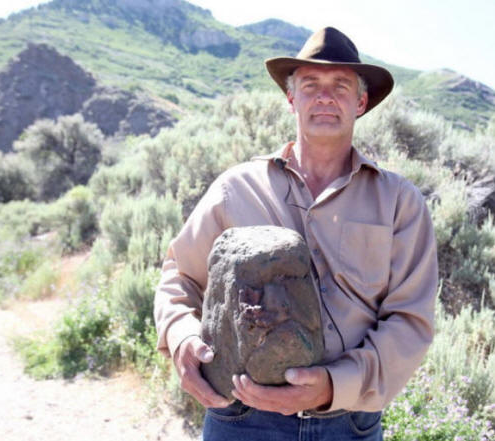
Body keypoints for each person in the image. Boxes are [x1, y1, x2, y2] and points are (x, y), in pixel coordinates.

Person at [154, 26, 438, 441]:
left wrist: (332, 386)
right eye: (310, 85)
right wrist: (181, 338)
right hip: (242, 418)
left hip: (348, 424)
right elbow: (179, 276)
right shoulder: (236, 188)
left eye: (340, 86)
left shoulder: (399, 201)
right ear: (291, 99)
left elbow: (410, 320)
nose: (325, 96)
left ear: (360, 102)